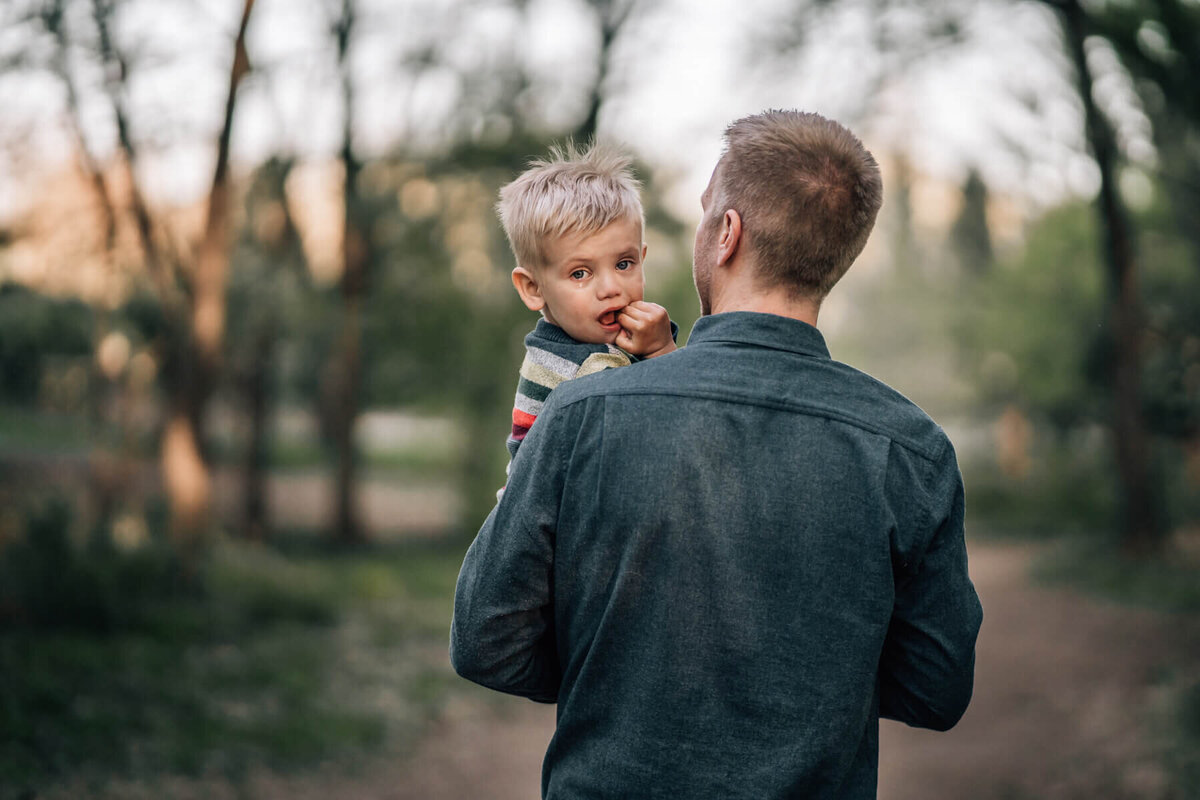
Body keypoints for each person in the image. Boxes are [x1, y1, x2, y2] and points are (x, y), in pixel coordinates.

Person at [451, 110, 983, 799]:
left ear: (725, 234)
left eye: (706, 212)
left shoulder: (582, 415)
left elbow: (487, 641)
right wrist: (806, 684)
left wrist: (620, 671)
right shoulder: (913, 450)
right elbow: (936, 689)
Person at [494, 142, 676, 489]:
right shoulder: (573, 367)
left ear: (643, 257)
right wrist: (662, 354)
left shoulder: (596, 344)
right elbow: (666, 422)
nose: (611, 288)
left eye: (624, 264)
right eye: (580, 273)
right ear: (533, 288)